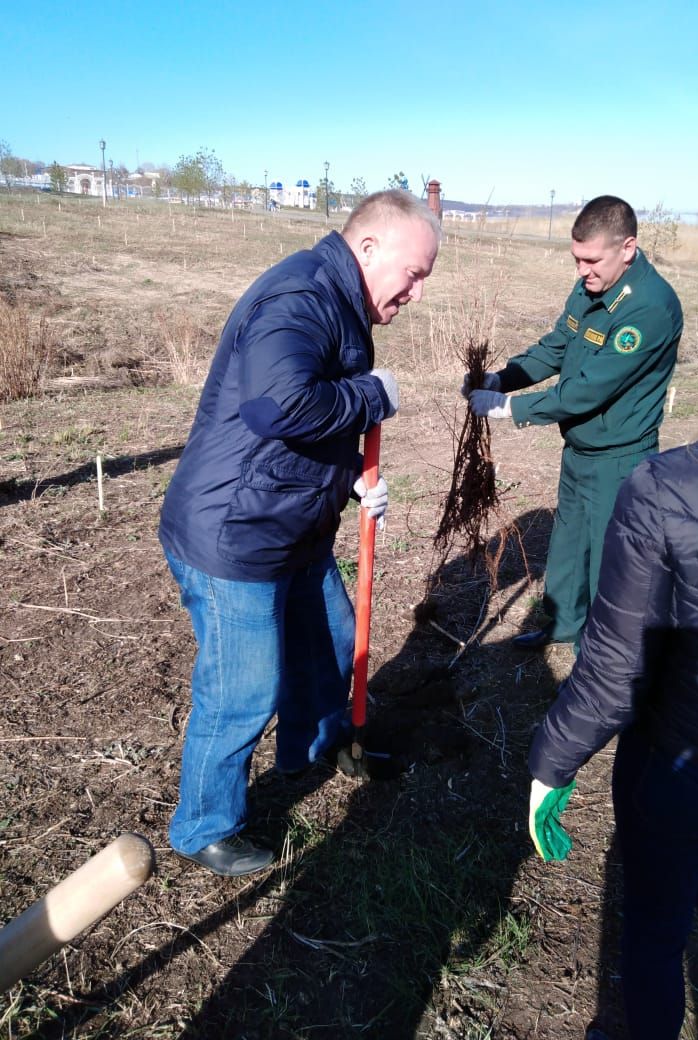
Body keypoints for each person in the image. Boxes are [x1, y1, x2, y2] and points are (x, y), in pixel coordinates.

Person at [528, 247, 698, 1039]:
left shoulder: (671, 486)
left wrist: (548, 764)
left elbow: (611, 673)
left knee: (656, 928)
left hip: (683, 769)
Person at [158, 190, 440, 876]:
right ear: (368, 248)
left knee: (333, 644)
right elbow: (278, 406)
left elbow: (306, 428)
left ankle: (318, 748)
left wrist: (350, 478)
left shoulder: (342, 303)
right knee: (242, 689)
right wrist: (376, 395)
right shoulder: (302, 298)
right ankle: (202, 826)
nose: (416, 294)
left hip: (290, 526)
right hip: (235, 536)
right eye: (414, 273)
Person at [466, 196, 682, 650]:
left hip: (621, 457)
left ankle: (600, 656)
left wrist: (511, 410)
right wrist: (500, 379)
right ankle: (564, 624)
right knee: (567, 543)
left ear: (628, 248)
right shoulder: (590, 288)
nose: (583, 270)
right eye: (577, 259)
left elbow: (589, 388)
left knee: (612, 561)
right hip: (581, 448)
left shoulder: (649, 308)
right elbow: (556, 348)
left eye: (591, 260)